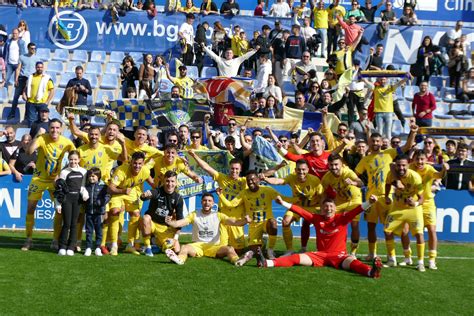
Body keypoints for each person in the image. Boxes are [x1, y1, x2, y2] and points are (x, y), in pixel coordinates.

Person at [256, 195, 382, 278]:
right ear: (321, 209)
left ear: (335, 209)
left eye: (331, 207)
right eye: (326, 207)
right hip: (319, 256)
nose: (328, 209)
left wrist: (369, 202)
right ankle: (267, 263)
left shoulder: (342, 219)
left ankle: (371, 272)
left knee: (353, 263)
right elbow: (301, 211)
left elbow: (357, 210)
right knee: (295, 258)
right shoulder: (316, 219)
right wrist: (283, 203)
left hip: (339, 256)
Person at [355, 128, 417, 260]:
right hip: (371, 198)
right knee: (370, 227)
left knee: (393, 228)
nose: (375, 143)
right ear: (369, 143)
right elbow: (356, 175)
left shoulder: (389, 153)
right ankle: (372, 253)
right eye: (373, 141)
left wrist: (412, 132)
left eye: (377, 141)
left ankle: (399, 255)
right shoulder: (365, 159)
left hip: (388, 196)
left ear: (382, 142)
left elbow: (407, 146)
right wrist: (356, 182)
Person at [22, 119, 76, 251]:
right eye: (52, 127)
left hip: (55, 181)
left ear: (61, 129)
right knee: (30, 208)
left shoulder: (67, 143)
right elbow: (29, 152)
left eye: (57, 128)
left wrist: (63, 173)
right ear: (48, 128)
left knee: (59, 210)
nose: (55, 130)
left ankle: (55, 240)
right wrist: (37, 135)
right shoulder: (42, 138)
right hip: (38, 178)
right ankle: (29, 239)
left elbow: (75, 158)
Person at [165, 193, 250, 265]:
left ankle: (237, 261)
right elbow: (180, 223)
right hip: (198, 246)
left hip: (214, 246)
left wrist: (245, 221)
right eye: (205, 200)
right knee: (184, 247)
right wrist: (170, 222)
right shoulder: (194, 214)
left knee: (230, 249)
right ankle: (180, 260)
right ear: (201, 202)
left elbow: (234, 222)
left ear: (213, 203)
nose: (207, 203)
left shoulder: (218, 215)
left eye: (209, 201)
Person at [398, 150, 448, 269]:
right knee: (404, 230)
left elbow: (440, 175)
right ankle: (407, 257)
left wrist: (444, 169)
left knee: (431, 229)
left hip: (427, 203)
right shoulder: (408, 167)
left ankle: (431, 260)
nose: (419, 162)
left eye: (422, 159)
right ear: (413, 159)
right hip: (410, 203)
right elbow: (395, 171)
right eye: (417, 159)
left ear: (426, 160)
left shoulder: (429, 169)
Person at [262, 159, 323, 255]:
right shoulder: (291, 177)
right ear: (295, 170)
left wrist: (322, 209)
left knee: (321, 226)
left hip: (314, 207)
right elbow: (279, 181)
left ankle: (321, 250)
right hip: (298, 206)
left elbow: (321, 196)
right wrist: (266, 179)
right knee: (285, 222)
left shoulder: (315, 180)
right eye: (299, 169)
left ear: (307, 170)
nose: (301, 172)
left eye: (303, 169)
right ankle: (290, 250)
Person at [218, 170, 280, 262]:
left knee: (273, 223)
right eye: (248, 180)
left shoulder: (267, 190)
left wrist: (291, 203)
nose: (250, 181)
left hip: (265, 222)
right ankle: (262, 243)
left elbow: (282, 198)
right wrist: (221, 195)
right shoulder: (244, 193)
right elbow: (231, 204)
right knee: (254, 251)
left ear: (258, 180)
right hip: (254, 225)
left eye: (252, 179)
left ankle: (270, 250)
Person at [384, 154, 425, 271]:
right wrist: (387, 196)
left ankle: (420, 262)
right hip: (397, 207)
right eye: (398, 165)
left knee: (419, 234)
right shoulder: (391, 174)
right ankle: (392, 260)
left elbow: (422, 198)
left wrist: (415, 203)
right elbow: (387, 184)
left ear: (408, 165)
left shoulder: (415, 177)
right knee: (387, 231)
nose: (401, 168)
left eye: (404, 165)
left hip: (413, 209)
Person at [108, 151, 154, 256]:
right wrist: (122, 191)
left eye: (139, 164)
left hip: (131, 191)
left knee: (136, 214)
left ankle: (130, 244)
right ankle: (114, 245)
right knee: (115, 211)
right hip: (118, 191)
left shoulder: (145, 171)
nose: (137, 166)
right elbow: (110, 188)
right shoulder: (120, 171)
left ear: (143, 164)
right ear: (130, 162)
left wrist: (153, 193)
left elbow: (153, 184)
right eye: (135, 163)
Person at [322, 154, 364, 255]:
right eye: (331, 165)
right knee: (331, 222)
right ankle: (330, 248)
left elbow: (361, 182)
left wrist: (354, 183)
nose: (334, 167)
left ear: (342, 164)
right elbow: (323, 193)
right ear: (328, 165)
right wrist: (323, 206)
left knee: (354, 225)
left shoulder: (347, 172)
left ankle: (353, 252)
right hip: (339, 201)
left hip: (354, 199)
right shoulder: (326, 178)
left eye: (336, 164)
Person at [140, 170, 184, 257]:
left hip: (165, 228)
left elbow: (180, 222)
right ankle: (148, 247)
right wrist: (145, 195)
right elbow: (145, 197)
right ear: (164, 181)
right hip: (152, 224)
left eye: (172, 181)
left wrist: (175, 239)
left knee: (177, 250)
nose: (169, 184)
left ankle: (158, 245)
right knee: (145, 218)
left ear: (176, 183)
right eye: (167, 181)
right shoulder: (157, 191)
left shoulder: (178, 198)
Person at [54, 150, 88, 256]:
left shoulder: (83, 171)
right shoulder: (64, 172)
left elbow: (82, 186)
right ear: (68, 160)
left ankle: (71, 247)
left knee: (74, 224)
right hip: (66, 200)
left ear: (79, 160)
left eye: (75, 159)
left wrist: (85, 194)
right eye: (71, 159)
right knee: (66, 223)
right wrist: (58, 204)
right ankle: (62, 246)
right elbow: (60, 189)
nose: (73, 161)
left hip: (77, 200)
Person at [361, 74, 410, 140]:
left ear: (386, 80)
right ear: (379, 80)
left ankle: (388, 146)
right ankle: (379, 147)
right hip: (379, 112)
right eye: (381, 79)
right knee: (379, 132)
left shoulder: (390, 88)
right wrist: (363, 79)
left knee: (388, 132)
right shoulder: (376, 88)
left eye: (384, 79)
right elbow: (369, 84)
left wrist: (406, 79)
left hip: (388, 112)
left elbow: (398, 84)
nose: (383, 81)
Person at [83, 167, 110, 257]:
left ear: (98, 177)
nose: (91, 178)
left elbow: (107, 196)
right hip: (89, 212)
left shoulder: (103, 186)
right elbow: (83, 197)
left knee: (99, 231)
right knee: (89, 231)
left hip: (99, 213)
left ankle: (98, 247)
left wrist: (101, 202)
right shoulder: (86, 187)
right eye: (90, 176)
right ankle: (88, 247)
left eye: (93, 176)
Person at [9, 42, 38, 120]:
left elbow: (38, 70)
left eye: (34, 48)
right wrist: (16, 79)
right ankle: (12, 113)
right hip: (22, 78)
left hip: (31, 80)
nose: (33, 50)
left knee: (28, 99)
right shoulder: (22, 57)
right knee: (16, 97)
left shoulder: (37, 58)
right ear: (28, 48)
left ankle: (26, 116)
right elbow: (18, 69)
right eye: (32, 48)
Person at [22, 61, 54, 127]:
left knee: (42, 121)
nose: (40, 68)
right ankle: (32, 135)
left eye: (41, 67)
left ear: (43, 68)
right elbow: (26, 88)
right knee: (31, 121)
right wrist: (23, 94)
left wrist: (47, 102)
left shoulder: (47, 78)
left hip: (42, 103)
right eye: (38, 67)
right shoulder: (31, 77)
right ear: (35, 68)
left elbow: (52, 91)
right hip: (31, 102)